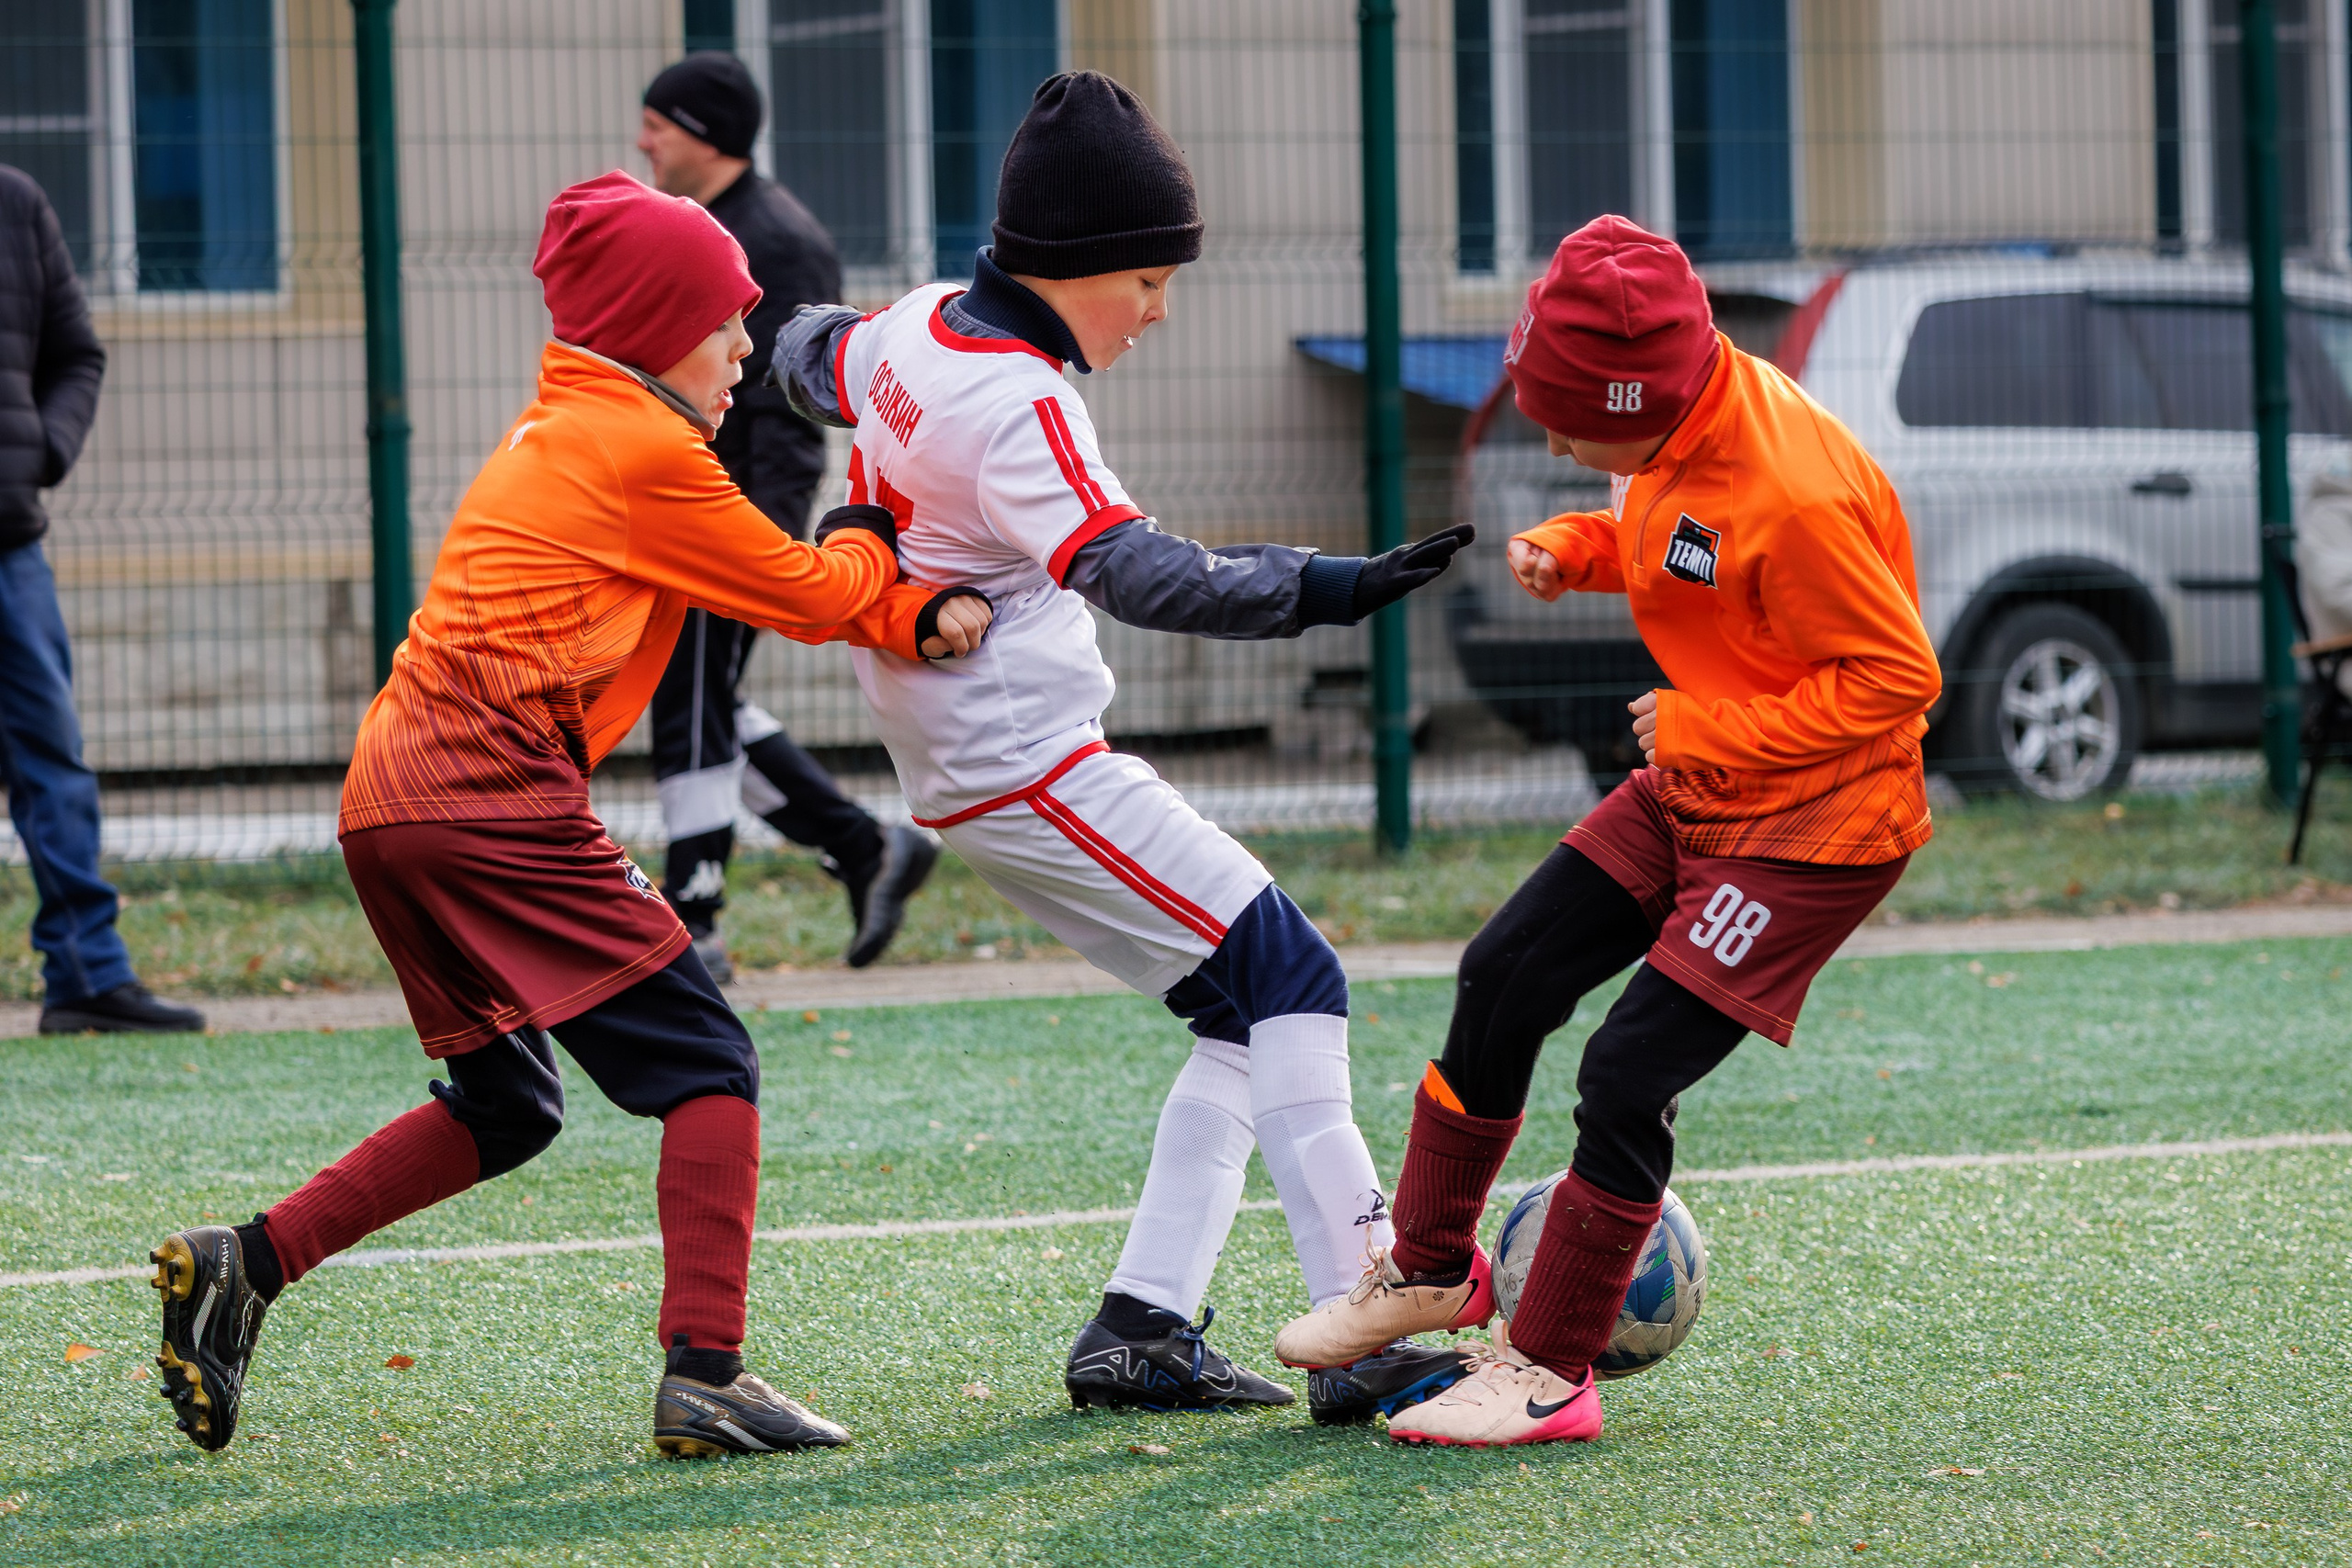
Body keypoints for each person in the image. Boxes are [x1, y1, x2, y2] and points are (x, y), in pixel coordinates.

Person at [144, 171, 991, 1458]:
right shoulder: (644, 448)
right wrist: (880, 528)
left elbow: (770, 590)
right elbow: (813, 591)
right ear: (657, 333)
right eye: (726, 324)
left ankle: (246, 1261)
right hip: (488, 791)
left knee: (507, 1103)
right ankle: (707, 1372)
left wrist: (885, 591)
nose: (747, 349)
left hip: (390, 798)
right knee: (709, 1063)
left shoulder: (569, 427)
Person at [774, 72, 1476, 1424]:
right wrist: (1329, 584)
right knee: (1295, 969)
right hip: (1026, 761)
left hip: (986, 765)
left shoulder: (916, 327)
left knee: (1236, 1016)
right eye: (1148, 279)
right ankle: (1371, 1324)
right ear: (1074, 264)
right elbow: (1141, 572)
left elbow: (811, 348)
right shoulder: (1020, 401)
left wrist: (851, 487)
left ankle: (1142, 1325)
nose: (1159, 310)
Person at [1272, 216, 1942, 1446]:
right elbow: (1686, 544)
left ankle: (1550, 1367)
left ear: (1639, 397)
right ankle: (1430, 1269)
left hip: (1814, 825)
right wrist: (1580, 548)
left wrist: (1703, 731)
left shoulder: (1789, 487)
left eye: (1567, 417)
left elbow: (1900, 678)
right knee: (1506, 968)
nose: (1548, 435)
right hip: (1713, 780)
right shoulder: (1686, 421)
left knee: (1628, 1068)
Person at [638, 53, 936, 981]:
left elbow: (797, 408)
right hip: (683, 508)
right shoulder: (703, 226)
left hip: (728, 520)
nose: (643, 138)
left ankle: (696, 916)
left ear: (705, 133)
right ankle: (862, 845)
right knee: (699, 697)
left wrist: (762, 540)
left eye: (658, 122)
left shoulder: (778, 238)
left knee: (689, 696)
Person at [0, 165, 203, 1035]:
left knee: (54, 764)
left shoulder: (15, 203)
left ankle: (87, 974)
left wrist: (39, 449)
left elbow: (75, 352)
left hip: (7, 544)